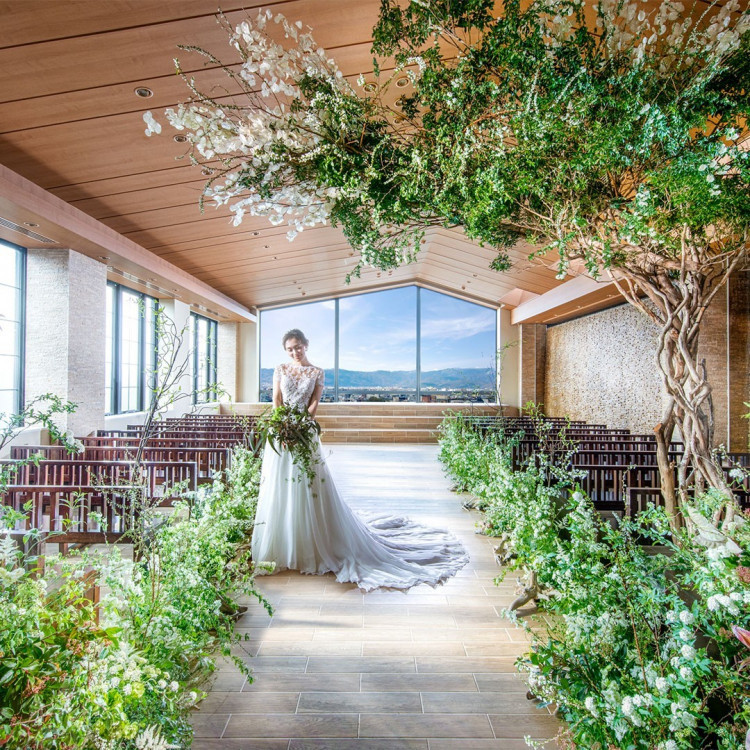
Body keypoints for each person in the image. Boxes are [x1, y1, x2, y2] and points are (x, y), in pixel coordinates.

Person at [250, 328, 469, 591]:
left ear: (306, 345)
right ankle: (283, 546)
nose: (294, 352)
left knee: (308, 487)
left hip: (304, 431)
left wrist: (299, 427)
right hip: (282, 432)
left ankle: (312, 544)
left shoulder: (317, 372)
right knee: (280, 485)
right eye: (289, 349)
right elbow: (276, 400)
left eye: (298, 346)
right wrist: (283, 427)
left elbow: (314, 405)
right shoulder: (280, 369)